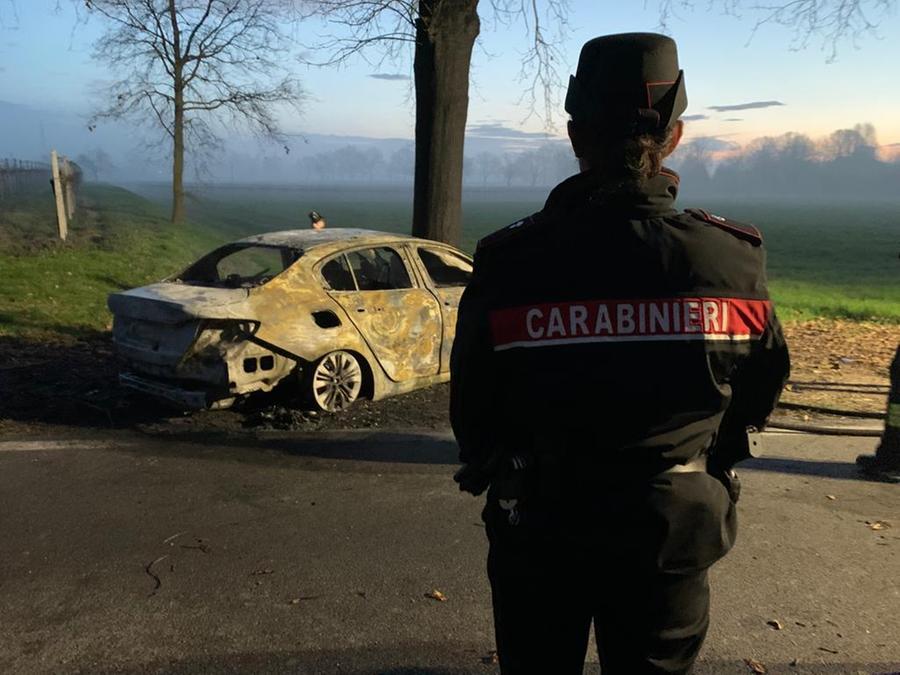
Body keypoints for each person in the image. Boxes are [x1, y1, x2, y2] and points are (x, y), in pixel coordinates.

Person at [450, 33, 790, 674]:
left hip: (541, 528)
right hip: (673, 529)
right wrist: (714, 462)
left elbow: (473, 402)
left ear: (577, 137)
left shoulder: (511, 262)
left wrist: (492, 467)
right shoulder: (731, 259)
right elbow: (761, 383)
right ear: (675, 137)